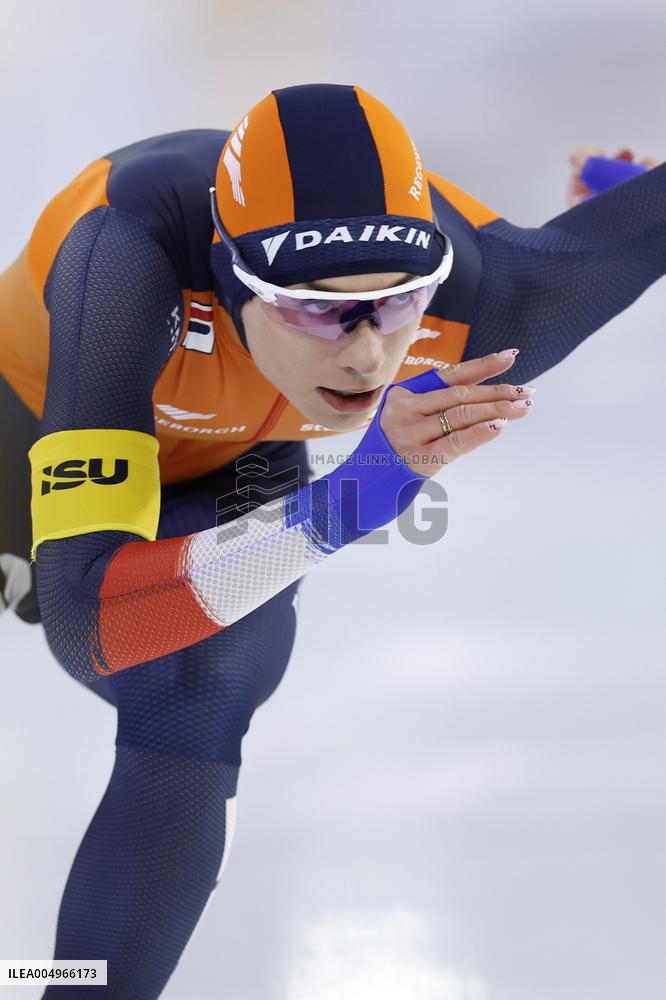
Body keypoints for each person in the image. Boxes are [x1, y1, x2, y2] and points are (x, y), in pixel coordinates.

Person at [0, 83, 662, 998]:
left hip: (241, 454)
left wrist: (616, 195)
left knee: (195, 685)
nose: (364, 356)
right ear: (231, 280)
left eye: (396, 306)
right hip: (41, 413)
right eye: (316, 309)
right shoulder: (124, 263)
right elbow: (89, 620)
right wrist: (350, 500)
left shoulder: (501, 299)